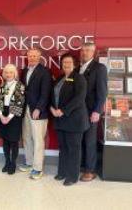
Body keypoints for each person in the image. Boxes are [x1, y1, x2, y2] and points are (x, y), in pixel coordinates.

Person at [50, 53, 89, 186]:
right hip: (60, 120)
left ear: (74, 64)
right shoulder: (60, 78)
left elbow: (79, 99)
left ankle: (72, 176)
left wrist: (63, 111)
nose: (66, 64)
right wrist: (52, 109)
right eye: (64, 62)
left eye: (69, 62)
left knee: (74, 149)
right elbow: (52, 96)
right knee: (63, 148)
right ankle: (62, 172)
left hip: (74, 120)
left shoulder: (79, 78)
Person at [76, 42, 108, 182]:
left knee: (90, 141)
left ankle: (90, 170)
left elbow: (102, 92)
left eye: (88, 50)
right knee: (80, 140)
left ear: (94, 53)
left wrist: (97, 111)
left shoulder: (99, 68)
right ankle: (82, 166)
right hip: (78, 112)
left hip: (91, 112)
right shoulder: (78, 68)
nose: (85, 53)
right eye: (83, 50)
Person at [19, 48, 52, 180]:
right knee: (26, 137)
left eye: (34, 56)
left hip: (38, 111)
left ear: (39, 57)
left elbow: (46, 93)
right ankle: (29, 162)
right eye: (30, 56)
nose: (31, 58)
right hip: (25, 109)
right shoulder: (25, 70)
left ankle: (38, 168)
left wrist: (38, 108)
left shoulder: (45, 72)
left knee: (38, 140)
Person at [0, 64, 25, 175]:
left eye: (11, 72)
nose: (8, 74)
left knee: (13, 142)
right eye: (6, 72)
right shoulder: (3, 86)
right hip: (3, 114)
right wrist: (1, 115)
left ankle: (13, 163)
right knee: (5, 141)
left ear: (15, 74)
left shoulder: (20, 86)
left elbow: (19, 103)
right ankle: (7, 162)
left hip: (14, 116)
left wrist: (8, 118)